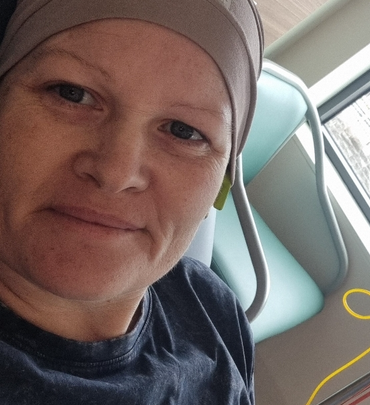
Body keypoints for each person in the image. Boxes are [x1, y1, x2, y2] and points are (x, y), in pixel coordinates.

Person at [0, 0, 264, 403]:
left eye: (183, 131)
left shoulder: (212, 308)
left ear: (222, 182)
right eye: (72, 94)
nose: (116, 173)